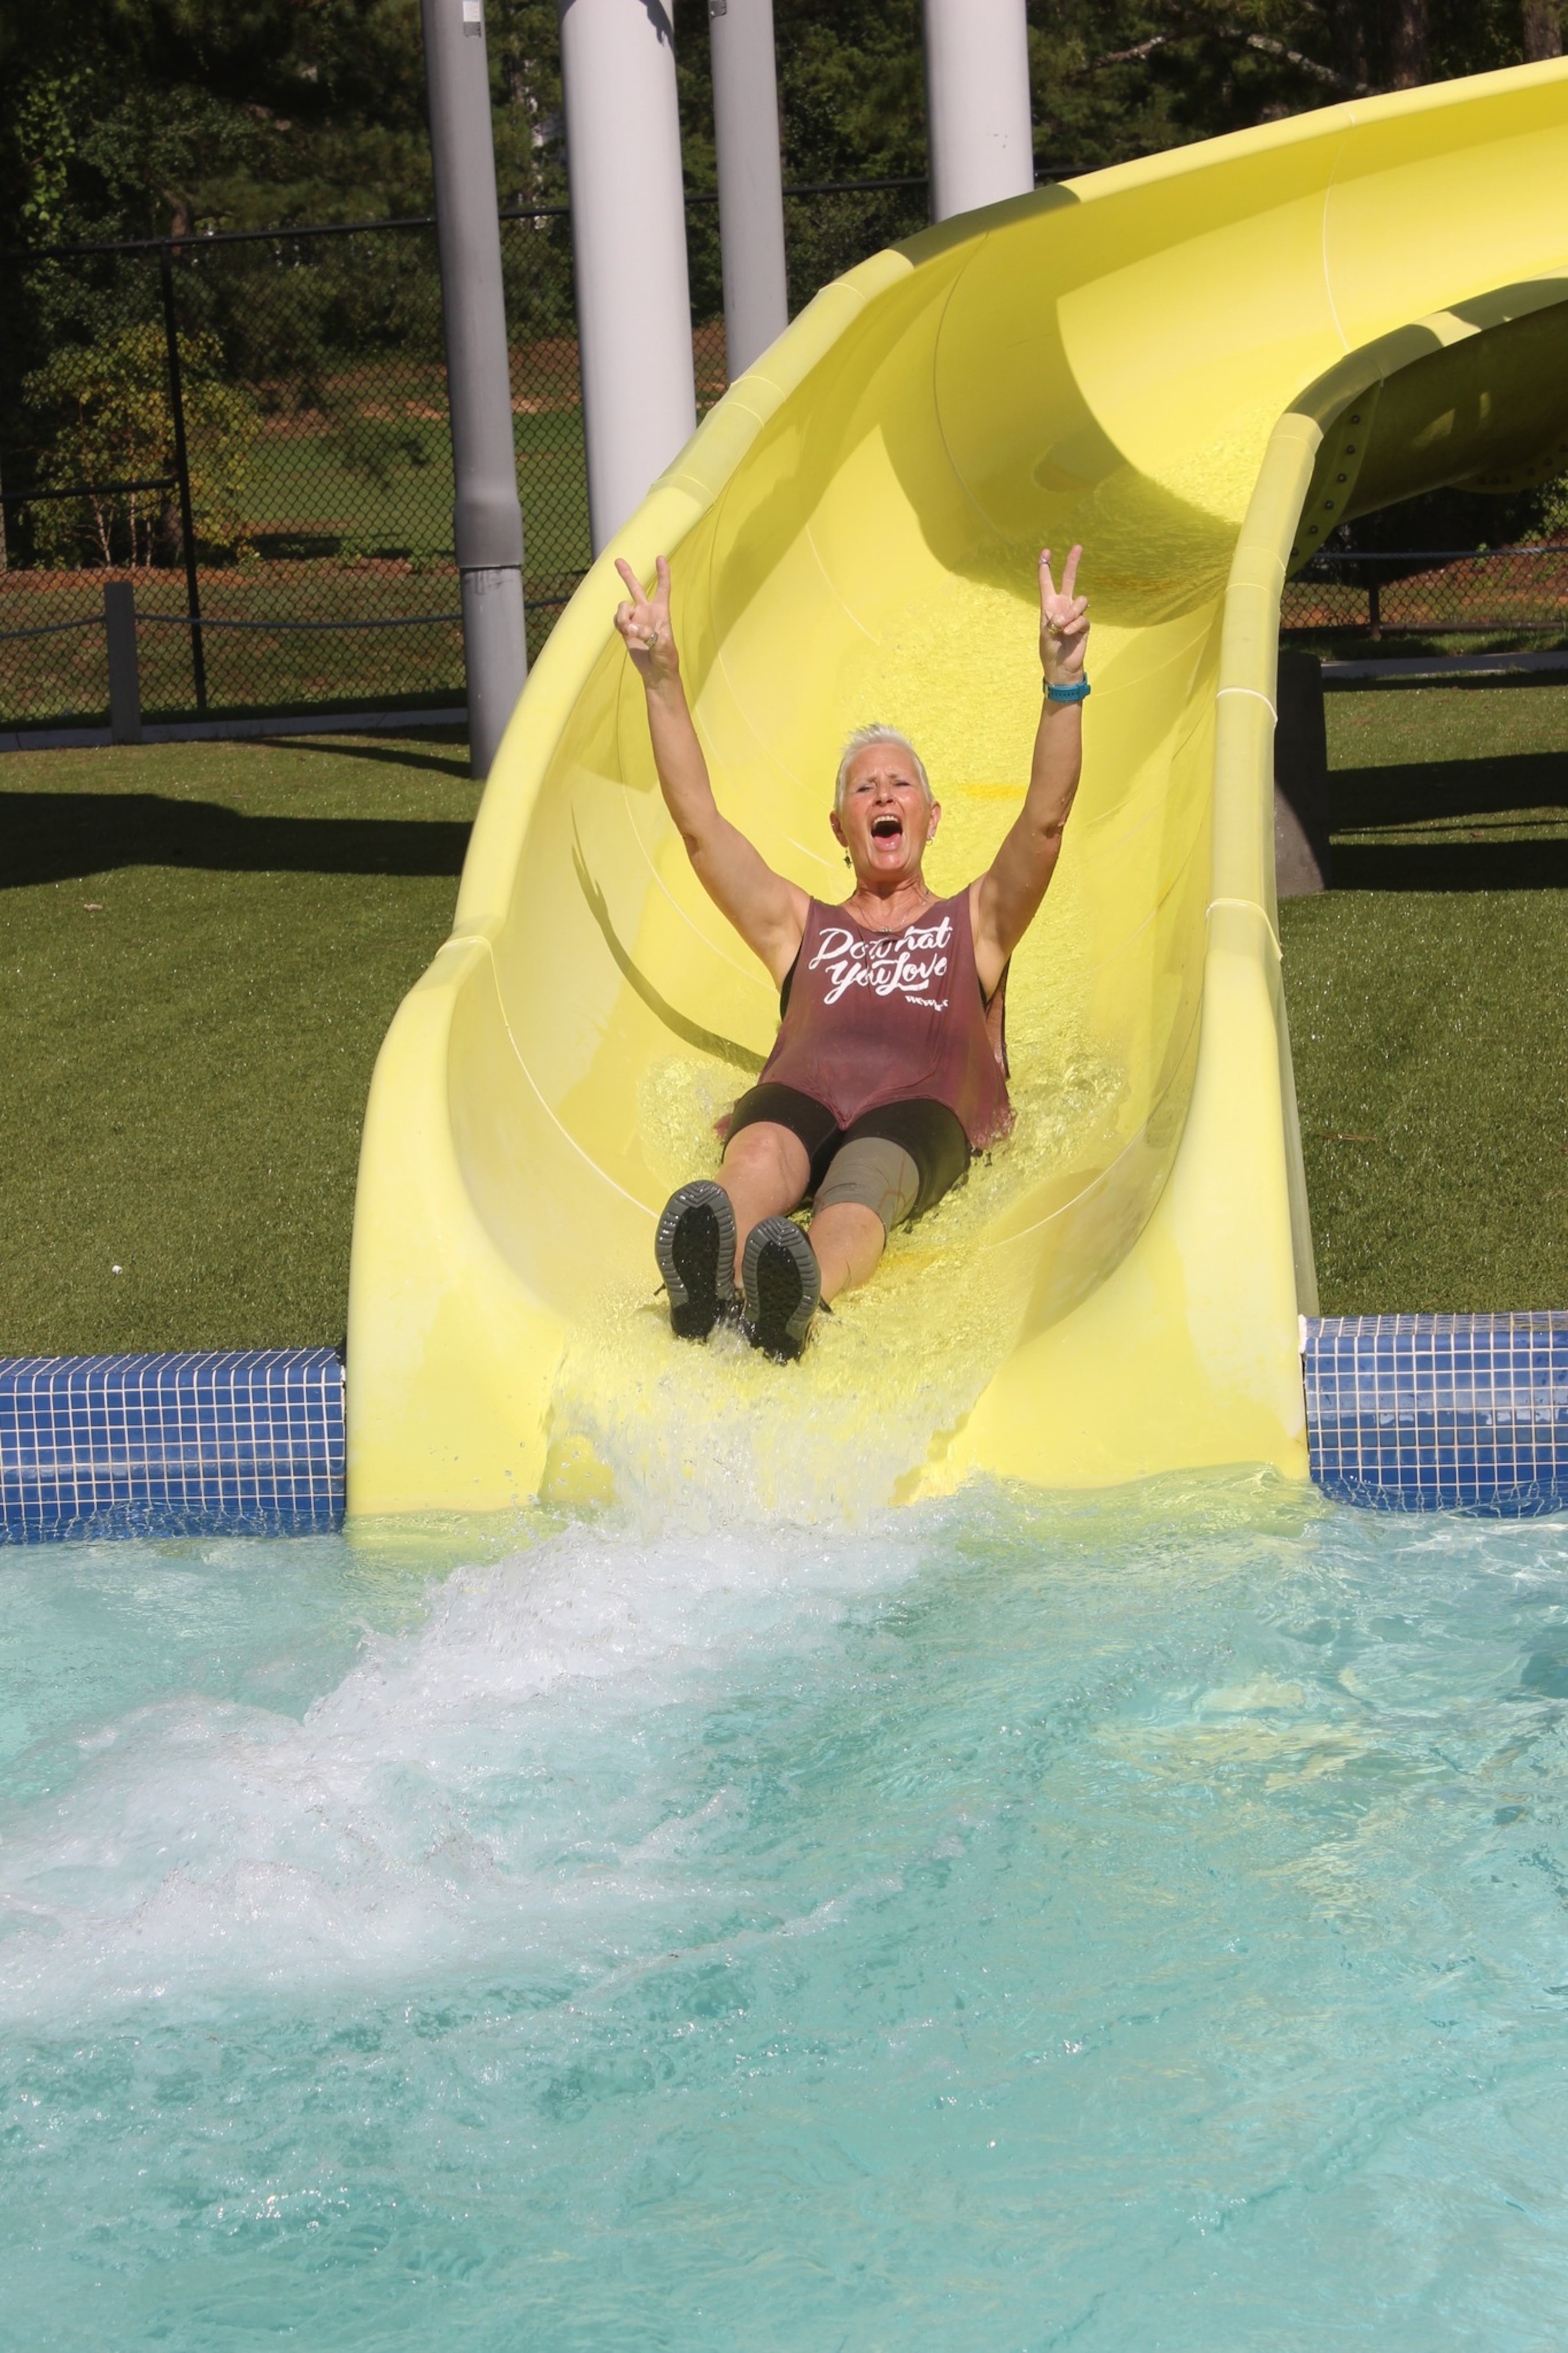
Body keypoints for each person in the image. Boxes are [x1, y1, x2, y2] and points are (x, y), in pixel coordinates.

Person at [612, 544, 1091, 1361]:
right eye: (863, 788)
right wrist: (661, 677)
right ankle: (710, 1268)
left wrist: (1064, 683)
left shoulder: (973, 924)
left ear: (932, 816)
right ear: (841, 826)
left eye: (900, 784)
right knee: (760, 1151)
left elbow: (1044, 823)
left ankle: (796, 1291)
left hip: (919, 1108)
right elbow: (701, 830)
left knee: (862, 1187)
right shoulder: (801, 927)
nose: (882, 796)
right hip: (804, 1094)